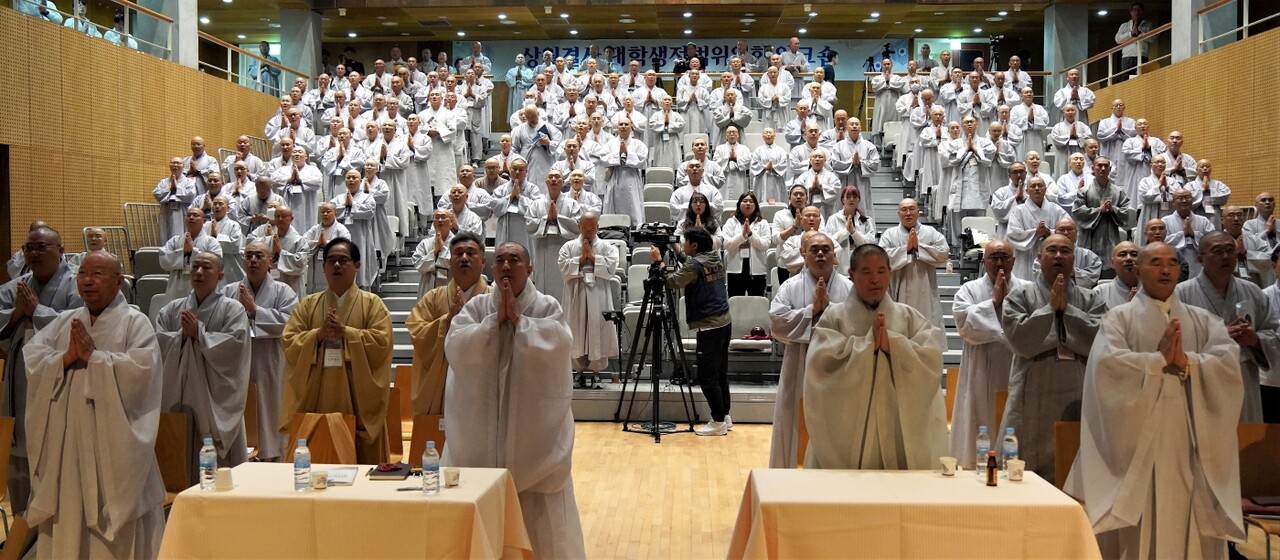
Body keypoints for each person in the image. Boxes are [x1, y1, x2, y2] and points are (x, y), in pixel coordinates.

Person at [1067, 241, 1246, 559]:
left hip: (1189, 441)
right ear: (1138, 270)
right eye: (1155, 263)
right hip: (1136, 444)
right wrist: (1158, 361)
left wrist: (1188, 362)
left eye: (1173, 263)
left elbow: (1227, 363)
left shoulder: (1202, 320)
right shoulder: (1118, 320)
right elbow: (1107, 369)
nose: (1165, 270)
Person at [442, 242, 586, 559]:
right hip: (480, 436)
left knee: (539, 518)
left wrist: (522, 323)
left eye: (515, 260)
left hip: (534, 444)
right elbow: (456, 346)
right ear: (492, 269)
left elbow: (561, 344)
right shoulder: (478, 308)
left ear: (529, 268)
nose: (507, 265)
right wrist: (493, 324)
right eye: (500, 260)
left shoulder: (547, 307)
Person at [23, 250, 166, 559]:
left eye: (97, 274)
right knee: (68, 510)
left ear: (119, 282)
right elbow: (33, 358)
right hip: (68, 443)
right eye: (83, 274)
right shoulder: (66, 321)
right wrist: (65, 358)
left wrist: (96, 359)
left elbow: (143, 374)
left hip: (114, 445)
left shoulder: (135, 323)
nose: (87, 281)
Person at [804, 243, 947, 470]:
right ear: (851, 275)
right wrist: (867, 346)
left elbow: (931, 359)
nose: (875, 279)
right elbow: (820, 364)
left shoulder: (908, 316)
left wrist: (895, 346)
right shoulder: (835, 316)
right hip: (847, 428)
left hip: (898, 423)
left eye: (881, 271)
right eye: (867, 272)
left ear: (889, 272)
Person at [1001, 234, 1106, 480]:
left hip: (1077, 391)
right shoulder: (1020, 296)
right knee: (1023, 469)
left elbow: (1102, 339)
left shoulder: (1092, 299)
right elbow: (1019, 339)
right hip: (1032, 390)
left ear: (1074, 258)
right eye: (1052, 250)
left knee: (1075, 468)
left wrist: (1066, 311)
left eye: (1065, 251)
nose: (1058, 255)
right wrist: (1050, 310)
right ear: (1039, 257)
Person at [282, 238, 393, 464]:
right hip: (318, 392)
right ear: (323, 268)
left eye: (343, 260)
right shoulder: (308, 304)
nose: (337, 266)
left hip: (356, 393)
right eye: (331, 261)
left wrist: (347, 333)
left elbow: (382, 342)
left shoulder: (373, 304)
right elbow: (290, 340)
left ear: (357, 265)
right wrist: (318, 335)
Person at [0, 227, 81, 515]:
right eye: (29, 248)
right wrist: (17, 314)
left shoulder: (77, 284)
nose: (33, 254)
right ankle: (22, 537)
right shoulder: (16, 288)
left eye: (41, 247)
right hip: (20, 375)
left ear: (60, 251)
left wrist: (37, 312)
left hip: (61, 376)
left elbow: (80, 324)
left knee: (56, 453)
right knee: (20, 448)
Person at [155, 252, 250, 483]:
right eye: (195, 267)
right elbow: (157, 342)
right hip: (180, 393)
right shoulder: (171, 309)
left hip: (215, 398)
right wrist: (182, 338)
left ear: (220, 275)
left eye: (206, 268)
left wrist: (200, 335)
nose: (198, 272)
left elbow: (235, 347)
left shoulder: (232, 309)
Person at [767, 232, 851, 468]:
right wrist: (811, 311)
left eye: (826, 249)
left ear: (835, 255)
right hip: (799, 365)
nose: (821, 254)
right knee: (794, 418)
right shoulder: (790, 286)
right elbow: (776, 322)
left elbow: (860, 322)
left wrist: (830, 309)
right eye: (814, 250)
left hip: (840, 367)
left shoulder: (849, 287)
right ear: (803, 254)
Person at [1175, 231, 1278, 423]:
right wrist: (1220, 337)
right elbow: (1173, 344)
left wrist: (1255, 340)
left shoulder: (1252, 291)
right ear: (1200, 258)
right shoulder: (1181, 294)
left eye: (1230, 250)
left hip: (1244, 378)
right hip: (1201, 379)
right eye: (1217, 251)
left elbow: (1273, 333)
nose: (1225, 256)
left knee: (1246, 443)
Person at [950, 240, 1026, 469]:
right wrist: (993, 302)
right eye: (994, 257)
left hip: (1016, 366)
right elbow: (963, 324)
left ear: (1014, 260)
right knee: (979, 418)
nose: (999, 263)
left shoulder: (1025, 289)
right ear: (984, 261)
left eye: (1005, 257)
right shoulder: (969, 289)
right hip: (979, 368)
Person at [650, 227, 732, 436]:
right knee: (720, 373)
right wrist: (676, 249)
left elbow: (673, 281)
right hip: (724, 322)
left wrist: (659, 262)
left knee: (707, 377)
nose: (684, 244)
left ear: (694, 245)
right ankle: (725, 415)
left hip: (709, 324)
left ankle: (718, 421)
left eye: (685, 242)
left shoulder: (694, 265)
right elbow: (691, 263)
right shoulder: (714, 257)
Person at [222, 241, 297, 462]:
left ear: (271, 263)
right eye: (248, 256)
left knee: (270, 408)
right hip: (238, 363)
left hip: (270, 361)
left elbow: (290, 323)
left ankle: (273, 456)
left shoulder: (284, 291)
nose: (253, 260)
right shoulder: (229, 291)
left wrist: (255, 311)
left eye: (259, 256)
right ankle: (241, 454)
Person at [406, 232, 489, 417]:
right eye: (458, 254)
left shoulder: (494, 299)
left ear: (483, 261)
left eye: (471, 253)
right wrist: (447, 321)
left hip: (481, 378)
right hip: (442, 377)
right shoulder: (434, 298)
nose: (464, 258)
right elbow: (417, 331)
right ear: (450, 261)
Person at [558, 213, 619, 388]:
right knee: (576, 329)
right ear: (579, 226)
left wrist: (593, 258)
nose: (588, 232)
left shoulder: (607, 247)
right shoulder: (569, 246)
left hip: (598, 294)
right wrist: (580, 259)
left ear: (597, 227)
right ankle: (577, 373)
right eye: (585, 228)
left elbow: (611, 269)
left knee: (597, 329)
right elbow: (563, 269)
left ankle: (596, 373)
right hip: (576, 294)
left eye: (592, 229)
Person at [879, 199, 949, 328]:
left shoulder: (930, 232)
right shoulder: (890, 234)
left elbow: (944, 252)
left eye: (912, 209)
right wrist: (905, 249)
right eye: (904, 210)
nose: (908, 213)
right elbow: (881, 258)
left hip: (924, 289)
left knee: (925, 328)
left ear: (918, 212)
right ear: (898, 213)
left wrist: (919, 247)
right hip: (897, 287)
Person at [1072, 158, 1135, 278]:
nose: (1103, 169)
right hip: (1089, 237)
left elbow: (1127, 213)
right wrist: (1099, 210)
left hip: (1111, 236)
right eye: (1099, 166)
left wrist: (1113, 209)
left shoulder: (1118, 191)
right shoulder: (1084, 191)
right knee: (1088, 271)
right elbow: (1076, 212)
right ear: (1092, 168)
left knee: (1111, 271)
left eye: (1106, 166)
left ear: (1110, 169)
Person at [528, 170, 582, 304]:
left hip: (565, 250)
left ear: (563, 182)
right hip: (543, 250)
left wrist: (558, 219)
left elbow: (578, 224)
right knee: (543, 288)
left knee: (564, 288)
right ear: (546, 182)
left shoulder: (572, 204)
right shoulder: (536, 204)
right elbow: (529, 224)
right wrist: (547, 219)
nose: (553, 179)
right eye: (550, 177)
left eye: (557, 177)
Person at [1007, 177, 1070, 280]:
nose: (1037, 189)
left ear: (1045, 189)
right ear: (1027, 191)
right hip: (1026, 256)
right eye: (1033, 186)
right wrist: (1035, 233)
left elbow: (1067, 230)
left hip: (1052, 255)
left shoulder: (1056, 209)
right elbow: (1012, 233)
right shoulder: (1018, 211)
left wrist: (1049, 232)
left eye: (1040, 186)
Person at [160, 208, 223, 300]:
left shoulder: (212, 242)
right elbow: (163, 260)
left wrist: (192, 252)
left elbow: (216, 263)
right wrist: (183, 252)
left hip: (203, 284)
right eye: (188, 215)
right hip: (177, 287)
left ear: (203, 220)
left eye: (195, 215)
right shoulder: (175, 240)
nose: (191, 218)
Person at [719, 192, 772, 298]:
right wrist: (742, 235)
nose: (748, 203)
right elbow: (727, 245)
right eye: (745, 201)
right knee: (735, 305)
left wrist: (751, 234)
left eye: (751, 201)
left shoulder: (763, 223)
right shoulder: (730, 222)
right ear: (739, 204)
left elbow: (765, 245)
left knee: (757, 304)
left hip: (757, 272)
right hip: (735, 271)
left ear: (756, 205)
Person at [1032, 219, 1105, 289]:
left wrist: (1073, 272)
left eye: (1069, 229)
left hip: (1080, 296)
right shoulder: (1045, 254)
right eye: (1061, 229)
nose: (1066, 233)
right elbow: (1037, 271)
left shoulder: (1089, 256)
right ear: (1055, 232)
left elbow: (1094, 276)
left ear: (1076, 233)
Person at [821, 186, 876, 273]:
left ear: (859, 200)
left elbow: (870, 244)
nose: (851, 199)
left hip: (861, 263)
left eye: (854, 197)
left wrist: (854, 232)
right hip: (840, 265)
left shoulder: (867, 220)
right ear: (843, 200)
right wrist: (846, 231)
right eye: (848, 197)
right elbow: (829, 242)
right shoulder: (833, 219)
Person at [1163, 188, 1215, 278]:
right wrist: (1182, 234)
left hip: (1199, 261)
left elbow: (1213, 241)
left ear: (1192, 200)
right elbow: (1162, 243)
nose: (1184, 201)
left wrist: (1194, 234)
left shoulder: (1203, 221)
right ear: (1173, 202)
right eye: (1180, 198)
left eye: (1187, 197)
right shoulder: (1165, 221)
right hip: (1175, 261)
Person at [154, 158, 198, 242]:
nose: (175, 165)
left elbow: (191, 195)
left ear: (183, 166)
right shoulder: (163, 182)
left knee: (180, 238)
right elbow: (157, 194)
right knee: (164, 238)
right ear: (169, 165)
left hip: (182, 212)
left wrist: (176, 189)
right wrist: (170, 188)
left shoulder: (189, 182)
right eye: (173, 163)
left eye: (178, 163)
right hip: (165, 212)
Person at [1094, 241, 1142, 309]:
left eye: (1134, 254)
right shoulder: (1099, 292)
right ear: (1112, 263)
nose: (1129, 258)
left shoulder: (1153, 291)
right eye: (1122, 254)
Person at [1115, 2, 1152, 78]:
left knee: (1141, 79)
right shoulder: (1124, 26)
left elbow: (1152, 39)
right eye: (1134, 10)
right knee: (1127, 80)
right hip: (1127, 57)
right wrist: (1130, 34)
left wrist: (1142, 34)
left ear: (1142, 12)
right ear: (1131, 12)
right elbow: (1118, 39)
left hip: (1142, 56)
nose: (1137, 12)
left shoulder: (1148, 25)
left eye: (1139, 10)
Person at [1095, 99, 1136, 164]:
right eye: (1116, 105)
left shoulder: (1131, 122)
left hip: (1125, 154)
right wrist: (1116, 130)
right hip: (1109, 152)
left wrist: (1122, 130)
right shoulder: (1104, 122)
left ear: (1124, 107)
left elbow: (1134, 136)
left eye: (1121, 105)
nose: (1118, 107)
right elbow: (1100, 136)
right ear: (1112, 108)